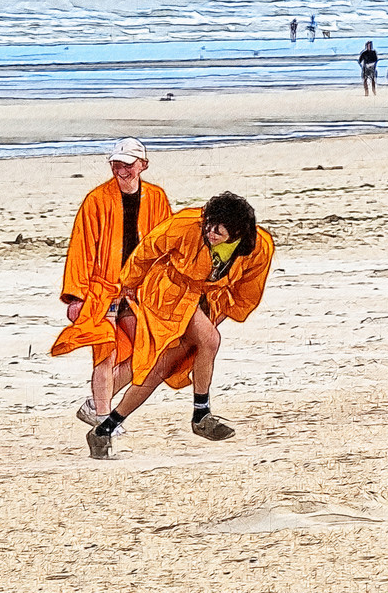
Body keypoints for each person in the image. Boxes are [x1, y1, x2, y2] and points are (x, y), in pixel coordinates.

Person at [87, 193, 275, 459]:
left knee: (161, 368)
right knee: (210, 341)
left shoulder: (260, 246)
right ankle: (201, 414)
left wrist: (214, 320)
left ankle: (104, 430)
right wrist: (128, 285)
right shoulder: (186, 224)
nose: (209, 232)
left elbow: (247, 292)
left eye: (218, 229)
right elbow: (146, 250)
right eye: (208, 224)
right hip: (167, 291)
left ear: (237, 231)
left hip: (207, 300)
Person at [51, 137, 172, 451]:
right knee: (106, 353)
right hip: (101, 290)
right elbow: (81, 246)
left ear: (142, 165)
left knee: (148, 352)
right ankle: (104, 417)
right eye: (117, 164)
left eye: (128, 164)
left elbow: (165, 246)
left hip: (137, 290)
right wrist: (75, 296)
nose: (122, 169)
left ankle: (94, 405)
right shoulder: (96, 200)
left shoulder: (157, 198)